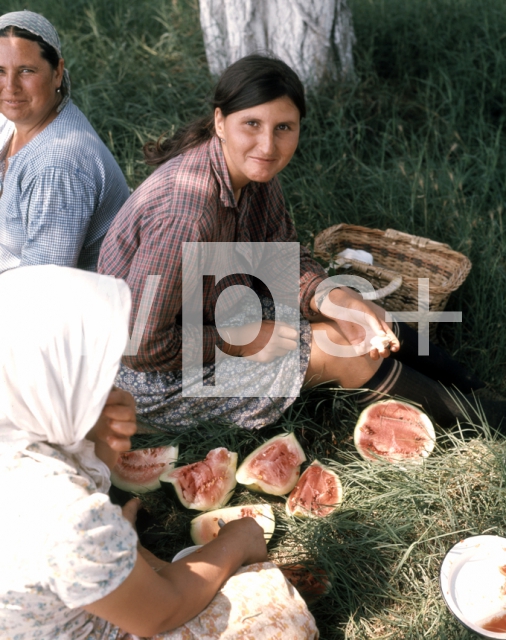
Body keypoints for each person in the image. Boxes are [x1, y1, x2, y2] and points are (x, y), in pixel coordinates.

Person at [98, 54, 505, 432]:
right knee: (337, 350)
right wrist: (244, 341)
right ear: (220, 122)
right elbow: (142, 345)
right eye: (251, 125)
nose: (268, 146)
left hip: (210, 311)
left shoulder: (251, 174)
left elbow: (282, 264)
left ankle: (474, 386)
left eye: (283, 128)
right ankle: (484, 422)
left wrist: (336, 300)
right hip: (144, 380)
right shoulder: (187, 212)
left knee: (361, 312)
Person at [0, 264, 319, 640]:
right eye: (96, 378)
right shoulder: (68, 514)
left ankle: (135, 567)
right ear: (55, 388)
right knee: (277, 616)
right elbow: (160, 613)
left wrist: (98, 442)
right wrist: (240, 539)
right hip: (126, 620)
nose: (115, 385)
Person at [0, 11, 130, 273]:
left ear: (57, 72)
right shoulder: (13, 119)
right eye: (0, 71)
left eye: (26, 70)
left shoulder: (58, 168)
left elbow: (42, 288)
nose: (10, 86)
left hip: (57, 304)